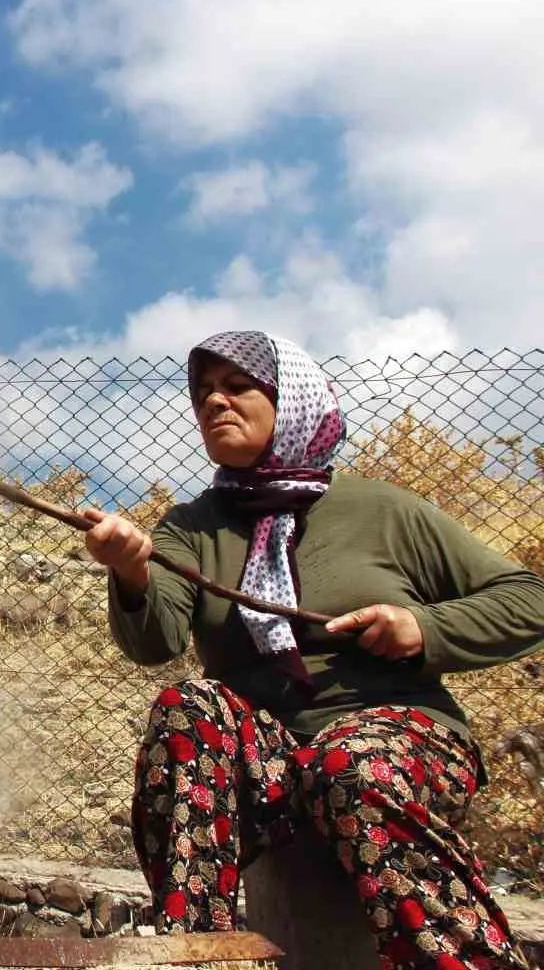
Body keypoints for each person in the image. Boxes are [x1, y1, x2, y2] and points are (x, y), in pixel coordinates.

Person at [82, 330, 544, 970]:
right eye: (202, 392)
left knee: (347, 766)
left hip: (394, 738)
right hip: (270, 762)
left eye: (237, 386)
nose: (214, 402)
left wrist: (423, 628)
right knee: (187, 707)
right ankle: (199, 956)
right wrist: (131, 574)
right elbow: (155, 640)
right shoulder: (191, 527)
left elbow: (527, 598)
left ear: (290, 400)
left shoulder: (382, 509)